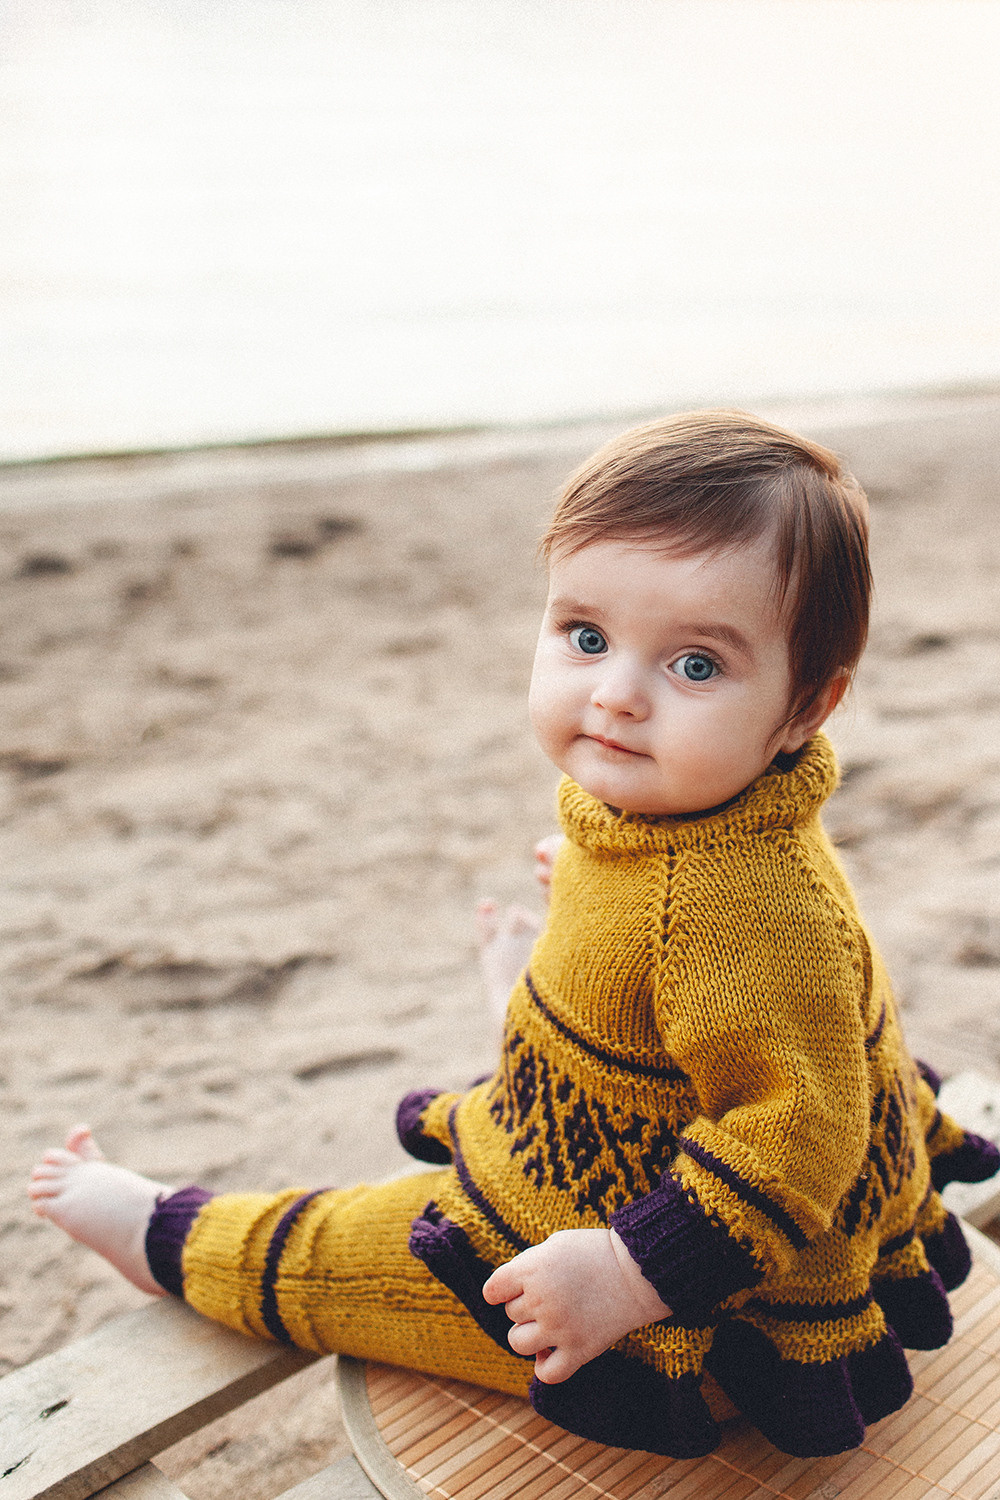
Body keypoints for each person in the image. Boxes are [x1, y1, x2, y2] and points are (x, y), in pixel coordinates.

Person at [28, 412, 999, 1461]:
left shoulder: (744, 915)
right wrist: (586, 927)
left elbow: (796, 1137)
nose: (616, 695)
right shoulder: (702, 820)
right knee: (556, 1027)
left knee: (344, 1253)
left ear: (806, 705)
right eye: (585, 637)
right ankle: (535, 1013)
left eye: (695, 667)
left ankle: (163, 1235)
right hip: (633, 1131)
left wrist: (628, 1276)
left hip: (697, 1306)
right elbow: (672, 939)